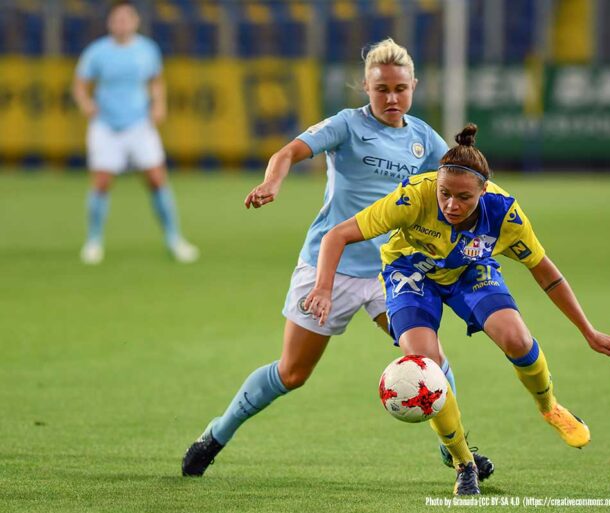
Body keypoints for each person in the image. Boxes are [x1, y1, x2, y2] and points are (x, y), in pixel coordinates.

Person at [181, 39, 493, 480]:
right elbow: (287, 152)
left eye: (400, 89)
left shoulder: (425, 139)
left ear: (414, 86)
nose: (391, 98)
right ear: (365, 85)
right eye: (381, 88)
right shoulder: (347, 125)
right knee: (291, 373)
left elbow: (466, 183)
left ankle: (458, 454)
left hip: (394, 272)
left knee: (433, 364)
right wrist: (273, 183)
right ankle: (215, 435)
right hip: (329, 266)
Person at [304, 123, 610, 495]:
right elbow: (337, 235)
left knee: (517, 339)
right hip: (411, 272)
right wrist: (323, 288)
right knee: (424, 365)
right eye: (445, 194)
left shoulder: (505, 215)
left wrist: (588, 331)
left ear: (483, 191)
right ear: (435, 185)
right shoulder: (413, 198)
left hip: (469, 270)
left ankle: (550, 406)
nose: (452, 205)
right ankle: (463, 463)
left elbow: (547, 275)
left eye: (464, 198)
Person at [72, 1, 198, 264]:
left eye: (126, 19)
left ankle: (174, 239)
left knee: (156, 179)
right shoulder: (97, 52)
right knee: (102, 181)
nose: (122, 24)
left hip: (139, 124)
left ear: (135, 21)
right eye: (117, 19)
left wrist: (159, 104)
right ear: (110, 23)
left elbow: (155, 81)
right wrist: (86, 104)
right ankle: (93, 241)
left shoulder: (146, 49)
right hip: (106, 124)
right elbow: (80, 84)